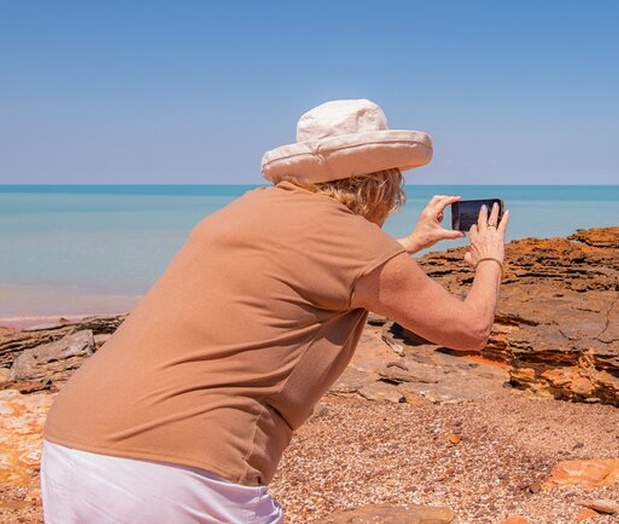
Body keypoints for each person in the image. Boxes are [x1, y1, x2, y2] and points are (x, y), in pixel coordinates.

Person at [40, 98, 509, 523]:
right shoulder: (352, 242)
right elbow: (468, 331)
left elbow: (320, 272)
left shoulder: (243, 211)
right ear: (384, 182)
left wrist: (408, 244)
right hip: (181, 465)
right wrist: (490, 257)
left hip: (74, 444)